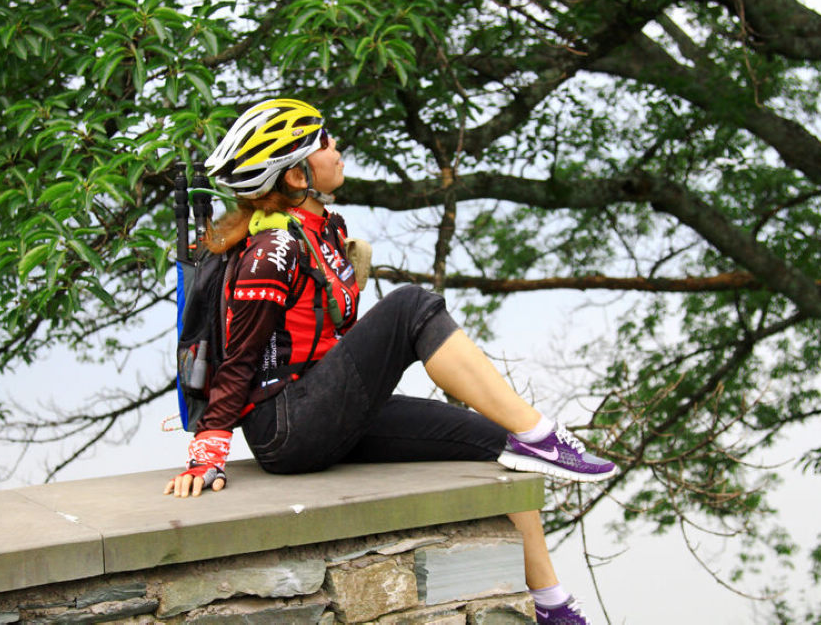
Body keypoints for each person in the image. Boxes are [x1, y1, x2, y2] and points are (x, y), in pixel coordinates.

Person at [164, 98, 616, 624]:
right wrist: (209, 451)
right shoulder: (273, 249)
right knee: (410, 305)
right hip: (287, 428)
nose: (336, 148)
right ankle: (542, 433)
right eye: (323, 143)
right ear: (296, 176)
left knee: (500, 445)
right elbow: (239, 360)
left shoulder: (321, 230)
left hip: (325, 410)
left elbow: (328, 339)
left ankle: (552, 607)